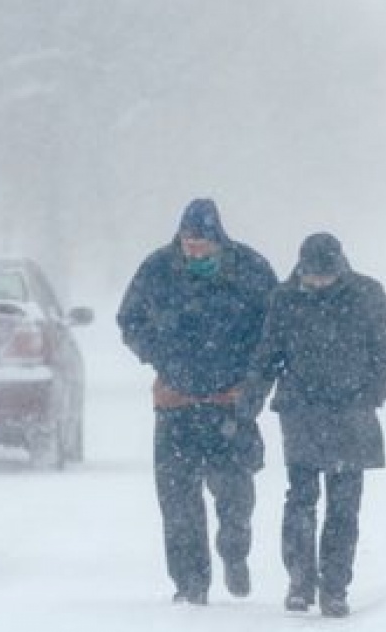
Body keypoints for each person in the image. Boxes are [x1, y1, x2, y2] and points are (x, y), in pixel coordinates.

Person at [117, 198, 278, 606]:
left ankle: (234, 550)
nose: (195, 249)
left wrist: (251, 377)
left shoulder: (250, 270)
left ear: (218, 238)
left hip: (230, 403)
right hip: (177, 403)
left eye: (202, 241)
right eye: (189, 241)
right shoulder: (157, 269)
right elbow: (129, 318)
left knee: (235, 493)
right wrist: (158, 354)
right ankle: (190, 583)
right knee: (178, 501)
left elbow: (274, 327)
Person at [238, 232, 386, 618]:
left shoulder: (366, 294)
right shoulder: (285, 298)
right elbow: (268, 354)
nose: (317, 283)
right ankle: (299, 580)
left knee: (344, 507)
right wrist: (252, 397)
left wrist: (374, 393)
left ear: (339, 267)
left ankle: (335, 588)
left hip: (352, 413)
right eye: (311, 276)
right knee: (300, 500)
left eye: (324, 276)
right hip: (302, 412)